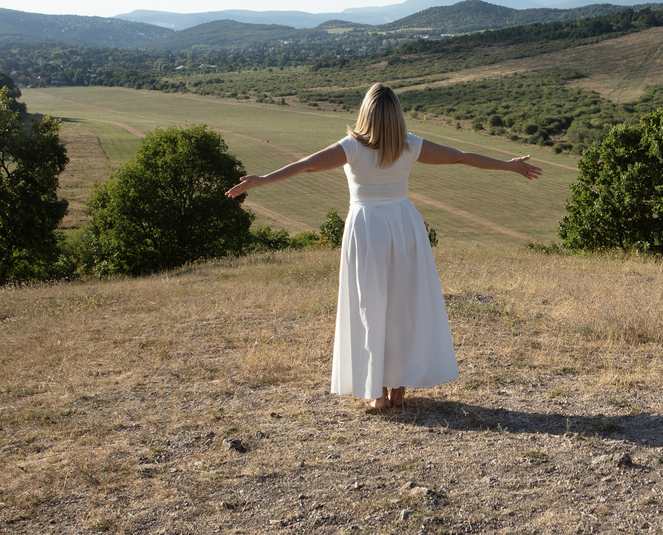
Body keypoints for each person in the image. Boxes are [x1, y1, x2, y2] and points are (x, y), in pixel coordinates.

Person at [225, 83, 542, 410]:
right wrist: (509, 165)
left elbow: (306, 165)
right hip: (404, 225)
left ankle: (376, 392)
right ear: (397, 117)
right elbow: (460, 158)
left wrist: (262, 179)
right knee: (402, 307)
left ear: (366, 113)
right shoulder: (409, 145)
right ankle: (397, 389)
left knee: (369, 307)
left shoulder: (351, 147)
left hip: (367, 228)